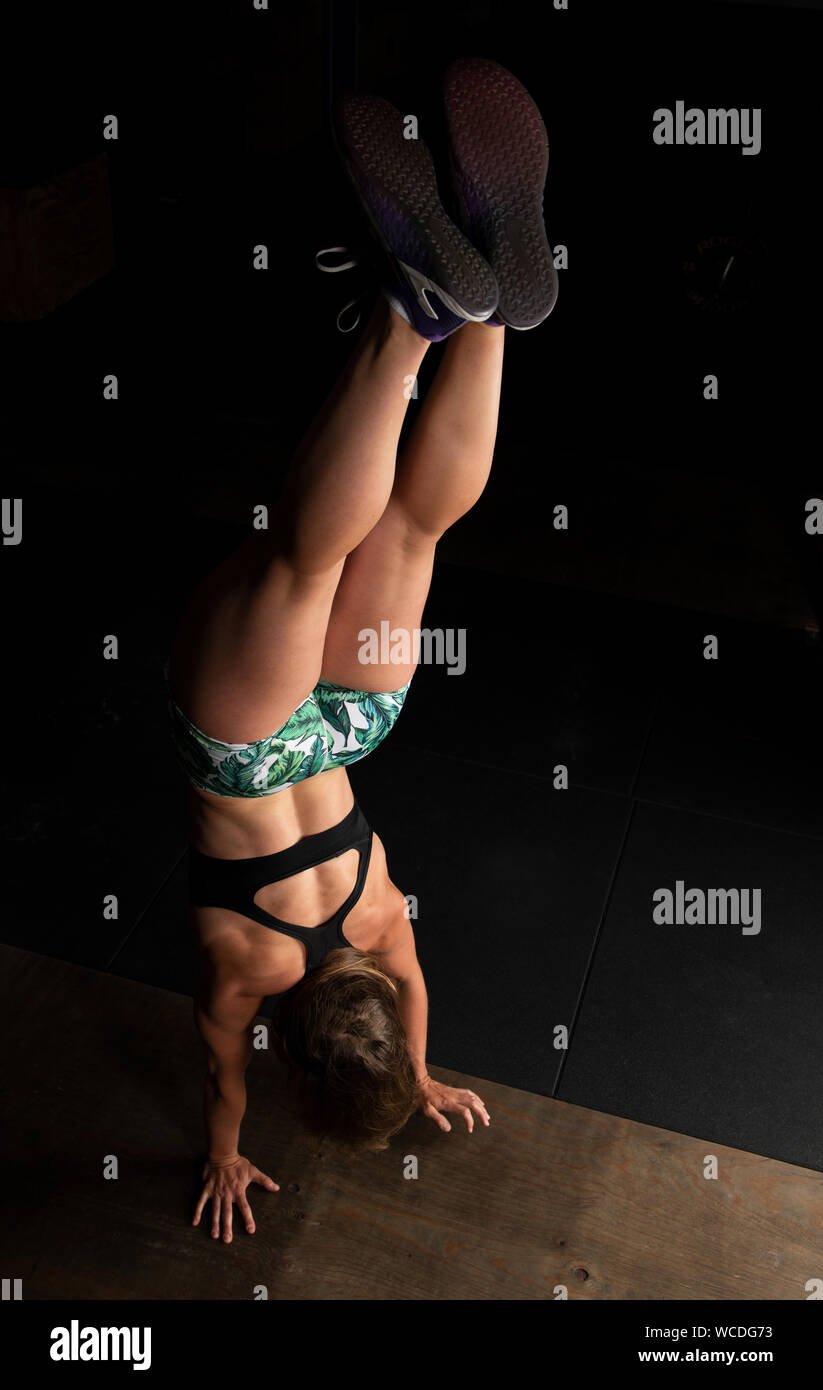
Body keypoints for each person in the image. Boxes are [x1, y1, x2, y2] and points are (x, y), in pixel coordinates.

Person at [166, 58, 558, 1242]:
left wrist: (428, 1077)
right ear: (300, 1061)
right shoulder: (244, 974)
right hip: (248, 748)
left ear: (378, 1010)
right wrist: (225, 1154)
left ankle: (489, 320)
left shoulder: (388, 926)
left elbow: (417, 996)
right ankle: (410, 319)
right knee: (298, 557)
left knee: (416, 521)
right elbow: (222, 1079)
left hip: (354, 721)